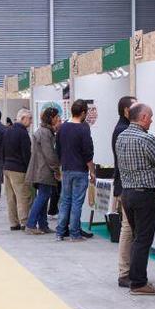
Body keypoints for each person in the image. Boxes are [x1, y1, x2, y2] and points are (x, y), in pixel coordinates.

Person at [116, 102, 155, 296]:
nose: (152, 120)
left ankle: (133, 276)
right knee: (143, 239)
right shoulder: (147, 139)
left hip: (127, 194)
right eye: (150, 116)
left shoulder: (121, 137)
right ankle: (139, 282)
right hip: (145, 195)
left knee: (136, 236)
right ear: (143, 118)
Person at [55, 100, 96, 242]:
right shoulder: (84, 129)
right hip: (80, 170)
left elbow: (58, 150)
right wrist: (92, 171)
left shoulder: (62, 127)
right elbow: (88, 153)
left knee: (65, 200)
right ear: (83, 112)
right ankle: (74, 233)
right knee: (77, 202)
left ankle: (60, 232)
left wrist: (60, 167)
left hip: (66, 169)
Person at [24, 107, 61, 235]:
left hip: (40, 169)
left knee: (43, 197)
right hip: (43, 170)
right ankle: (31, 224)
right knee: (43, 196)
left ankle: (43, 224)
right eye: (56, 117)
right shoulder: (46, 133)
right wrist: (56, 169)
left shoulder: (43, 131)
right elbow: (49, 153)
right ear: (51, 118)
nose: (58, 119)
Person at [113, 96, 137, 288]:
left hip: (126, 185)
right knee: (127, 228)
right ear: (126, 111)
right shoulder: (123, 130)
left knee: (129, 228)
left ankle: (128, 270)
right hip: (127, 185)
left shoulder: (123, 128)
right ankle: (124, 272)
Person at [3, 109, 33, 231]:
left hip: (7, 167)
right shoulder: (23, 133)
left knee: (10, 197)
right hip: (19, 169)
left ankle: (13, 223)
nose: (31, 122)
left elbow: (2, 150)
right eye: (29, 119)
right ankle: (24, 222)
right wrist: (28, 169)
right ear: (23, 118)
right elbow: (26, 154)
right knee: (23, 196)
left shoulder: (7, 131)